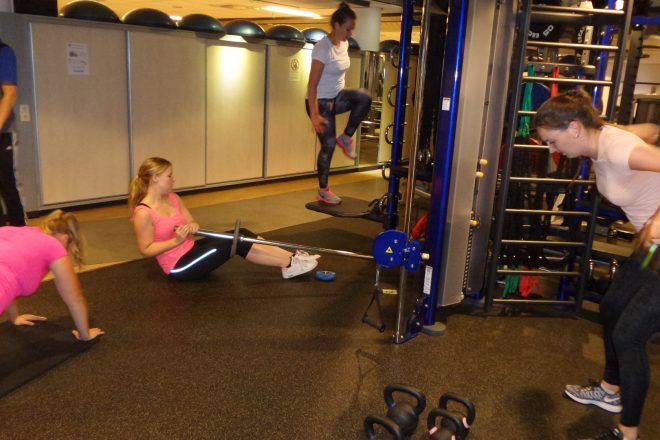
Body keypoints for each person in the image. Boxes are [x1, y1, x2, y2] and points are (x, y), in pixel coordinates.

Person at [534, 89, 660, 440]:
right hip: (654, 249)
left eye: (553, 140)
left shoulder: (616, 148)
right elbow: (648, 130)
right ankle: (610, 389)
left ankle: (628, 432)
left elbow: (631, 145)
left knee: (629, 335)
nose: (552, 149)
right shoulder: (602, 138)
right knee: (613, 307)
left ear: (574, 127)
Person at [129, 157, 320, 281]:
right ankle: (289, 263)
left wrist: (192, 226)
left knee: (241, 233)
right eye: (169, 176)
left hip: (191, 249)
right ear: (155, 178)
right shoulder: (144, 212)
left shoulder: (173, 198)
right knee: (234, 242)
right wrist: (175, 241)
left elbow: (192, 222)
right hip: (178, 267)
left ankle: (292, 258)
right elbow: (146, 250)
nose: (173, 179)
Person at [0, 210, 104, 341]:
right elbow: (74, 297)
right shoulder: (53, 246)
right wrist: (85, 335)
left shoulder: (11, 231)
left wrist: (14, 317)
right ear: (66, 237)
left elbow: (8, 270)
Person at [306, 2, 372, 205]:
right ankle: (323, 190)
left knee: (364, 97)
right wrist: (315, 115)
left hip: (337, 97)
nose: (351, 33)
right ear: (337, 25)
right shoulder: (322, 48)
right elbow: (312, 86)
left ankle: (346, 137)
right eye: (348, 29)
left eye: (352, 29)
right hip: (320, 102)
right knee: (328, 145)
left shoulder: (344, 44)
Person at [0, 38, 26, 226]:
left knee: (9, 187)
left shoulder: (4, 52)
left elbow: (10, 95)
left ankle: (21, 232)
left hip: (4, 134)